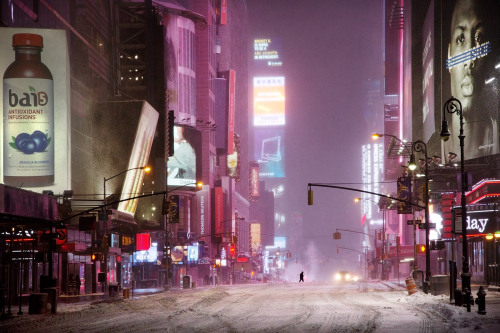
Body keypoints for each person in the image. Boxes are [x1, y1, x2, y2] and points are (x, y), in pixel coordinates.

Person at [446, 0, 499, 159]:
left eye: (478, 37)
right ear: (450, 56)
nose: (469, 59)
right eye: (461, 39)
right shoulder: (439, 146)